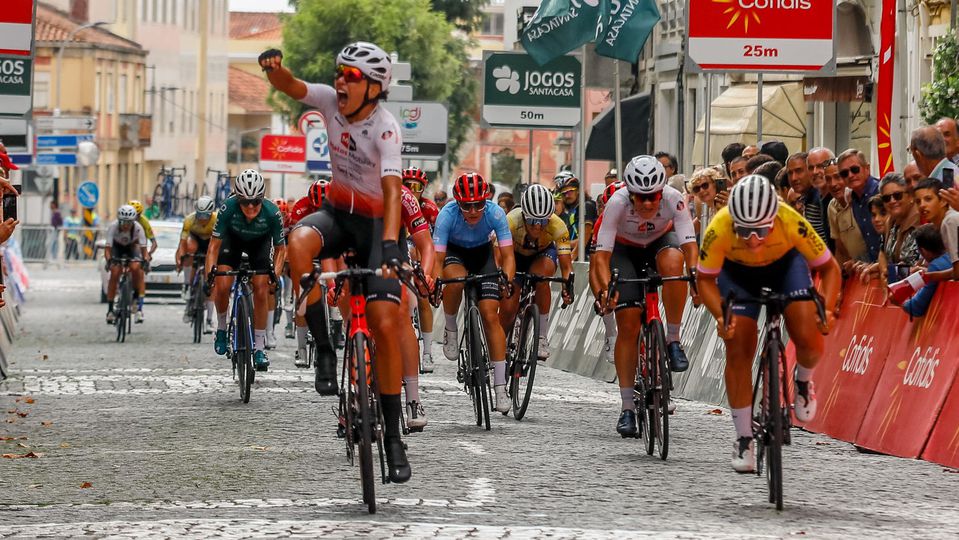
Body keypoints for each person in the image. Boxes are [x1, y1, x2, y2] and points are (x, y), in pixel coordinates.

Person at [260, 42, 413, 483]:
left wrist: (387, 246)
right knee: (298, 243)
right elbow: (291, 86)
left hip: (378, 227)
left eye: (352, 76)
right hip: (338, 216)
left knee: (385, 323)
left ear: (375, 87)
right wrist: (274, 69)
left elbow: (391, 190)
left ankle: (393, 437)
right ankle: (325, 351)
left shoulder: (385, 128)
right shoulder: (330, 101)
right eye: (340, 72)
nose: (341, 81)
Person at [696, 175, 841, 473]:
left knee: (808, 334)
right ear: (733, 221)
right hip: (738, 276)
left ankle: (803, 380)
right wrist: (721, 317)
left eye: (761, 229)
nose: (752, 239)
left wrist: (826, 307)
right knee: (737, 348)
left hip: (785, 268)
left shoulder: (790, 220)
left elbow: (829, 267)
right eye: (745, 230)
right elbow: (705, 279)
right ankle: (744, 437)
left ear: (774, 218)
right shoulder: (719, 227)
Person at [591, 155, 698, 437]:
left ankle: (673, 340)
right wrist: (606, 289)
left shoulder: (674, 199)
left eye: (653, 197)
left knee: (675, 265)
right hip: (624, 252)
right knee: (628, 324)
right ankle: (627, 407)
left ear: (662, 191)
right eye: (641, 198)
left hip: (660, 243)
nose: (648, 204)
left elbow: (689, 244)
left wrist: (696, 276)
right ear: (630, 193)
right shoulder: (617, 203)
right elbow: (601, 257)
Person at [433, 173, 515, 413]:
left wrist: (506, 279)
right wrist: (437, 281)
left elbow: (508, 257)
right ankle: (450, 327)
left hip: (483, 255)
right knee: (454, 283)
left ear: (486, 200)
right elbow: (438, 258)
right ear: (457, 203)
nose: (472, 210)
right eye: (466, 205)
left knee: (490, 316)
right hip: (454, 253)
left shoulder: (496, 213)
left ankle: (500, 387)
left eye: (478, 204)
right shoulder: (446, 215)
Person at [206, 170, 286, 373]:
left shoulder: (272, 212)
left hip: (259, 243)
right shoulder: (227, 208)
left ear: (262, 199)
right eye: (245, 202)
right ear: (237, 199)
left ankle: (259, 347)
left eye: (255, 202)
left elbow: (280, 250)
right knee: (222, 284)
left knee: (261, 288)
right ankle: (222, 328)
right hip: (231, 241)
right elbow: (213, 247)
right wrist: (210, 275)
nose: (250, 207)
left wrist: (274, 275)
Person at [499, 184, 573, 361]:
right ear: (524, 215)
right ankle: (498, 347)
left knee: (542, 278)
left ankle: (541, 337)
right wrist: (503, 281)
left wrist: (567, 287)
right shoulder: (511, 220)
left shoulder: (558, 225)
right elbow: (499, 258)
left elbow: (566, 266)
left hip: (542, 255)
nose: (538, 226)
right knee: (509, 306)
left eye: (543, 221)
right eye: (532, 220)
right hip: (514, 257)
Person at [402, 167, 439, 373]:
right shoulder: (399, 200)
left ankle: (427, 353)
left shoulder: (430, 209)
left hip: (424, 251)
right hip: (403, 251)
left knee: (424, 299)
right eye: (407, 185)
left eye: (417, 187)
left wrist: (432, 276)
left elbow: (435, 244)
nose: (412, 190)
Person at [888, 225, 952, 317]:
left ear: (923, 251)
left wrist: (899, 302)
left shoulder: (935, 267)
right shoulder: (952, 257)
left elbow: (917, 307)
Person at [175, 196, 218, 332]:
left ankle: (210, 319)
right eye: (200, 214)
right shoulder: (189, 220)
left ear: (211, 213)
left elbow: (220, 244)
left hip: (211, 242)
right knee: (189, 250)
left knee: (211, 281)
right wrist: (181, 258)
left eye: (206, 215)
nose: (202, 218)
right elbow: (182, 243)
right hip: (195, 240)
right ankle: (188, 285)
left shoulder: (217, 220)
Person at [104, 205, 148, 324]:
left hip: (131, 247)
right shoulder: (113, 227)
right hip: (117, 248)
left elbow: (144, 249)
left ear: (133, 221)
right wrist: (109, 260)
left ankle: (135, 298)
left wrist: (145, 260)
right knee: (115, 272)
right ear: (119, 220)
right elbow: (108, 248)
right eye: (123, 222)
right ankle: (110, 310)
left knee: (136, 268)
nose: (126, 225)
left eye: (129, 222)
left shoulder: (138, 228)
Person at [876, 173, 921, 283]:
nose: (892, 201)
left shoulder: (920, 220)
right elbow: (882, 251)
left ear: (910, 196)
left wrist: (889, 272)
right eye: (886, 198)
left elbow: (914, 265)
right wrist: (882, 269)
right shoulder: (890, 221)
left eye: (897, 195)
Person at [912, 178, 959, 282]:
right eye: (918, 201)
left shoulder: (950, 221)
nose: (922, 205)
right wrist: (928, 276)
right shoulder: (946, 222)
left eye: (928, 199)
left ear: (943, 201)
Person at [826, 160, 868, 268]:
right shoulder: (832, 206)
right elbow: (839, 249)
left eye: (837, 177)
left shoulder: (864, 200)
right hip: (855, 271)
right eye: (828, 179)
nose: (833, 184)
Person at [128, 199, 158, 322]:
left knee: (139, 274)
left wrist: (148, 255)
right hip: (125, 247)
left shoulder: (144, 223)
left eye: (137, 216)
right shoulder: (123, 219)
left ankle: (139, 308)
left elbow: (154, 243)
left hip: (139, 249)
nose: (134, 219)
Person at [554, 171, 598, 253]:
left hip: (586, 256)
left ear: (578, 190)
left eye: (569, 191)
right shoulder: (573, 210)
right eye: (563, 194)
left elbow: (585, 237)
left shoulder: (587, 206)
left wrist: (572, 255)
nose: (566, 196)